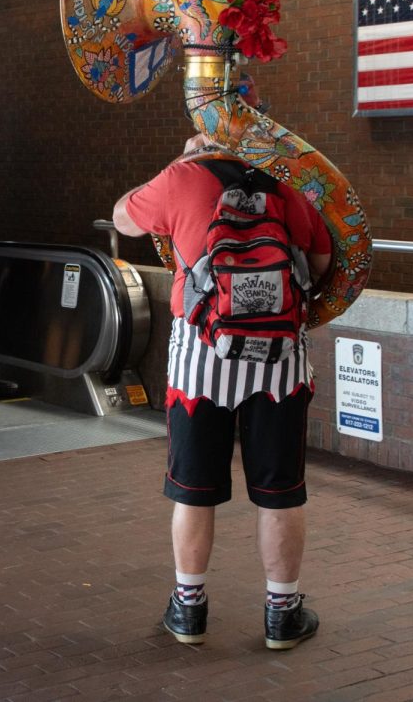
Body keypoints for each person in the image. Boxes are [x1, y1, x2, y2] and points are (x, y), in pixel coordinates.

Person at [111, 135, 332, 650]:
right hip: (279, 361)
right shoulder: (290, 177)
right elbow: (322, 265)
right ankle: (282, 614)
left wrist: (180, 162)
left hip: (200, 356)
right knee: (280, 491)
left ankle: (189, 611)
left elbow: (123, 216)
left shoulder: (182, 177)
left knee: (193, 486)